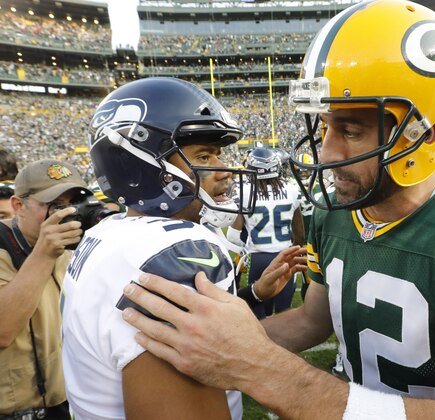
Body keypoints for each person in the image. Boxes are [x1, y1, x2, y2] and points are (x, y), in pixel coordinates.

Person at [121, 1, 435, 418]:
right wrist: (227, 341)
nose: (326, 153)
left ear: (425, 134)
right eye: (324, 126)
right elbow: (312, 319)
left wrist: (263, 370)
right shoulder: (331, 212)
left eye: (349, 130)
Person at [60, 77, 306, 420]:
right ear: (139, 164)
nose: (224, 171)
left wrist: (253, 295)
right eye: (204, 155)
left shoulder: (107, 232)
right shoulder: (177, 249)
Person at [0, 159, 89, 420]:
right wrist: (44, 254)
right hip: (13, 411)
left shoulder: (63, 245)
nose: (67, 214)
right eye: (55, 206)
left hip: (60, 401)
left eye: (73, 204)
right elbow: (2, 331)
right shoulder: (8, 247)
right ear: (19, 206)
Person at [227, 147, 304, 319]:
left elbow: (232, 236)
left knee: (260, 312)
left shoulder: (244, 192)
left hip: (258, 258)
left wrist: (244, 251)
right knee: (284, 311)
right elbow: (299, 234)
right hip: (285, 255)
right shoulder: (291, 190)